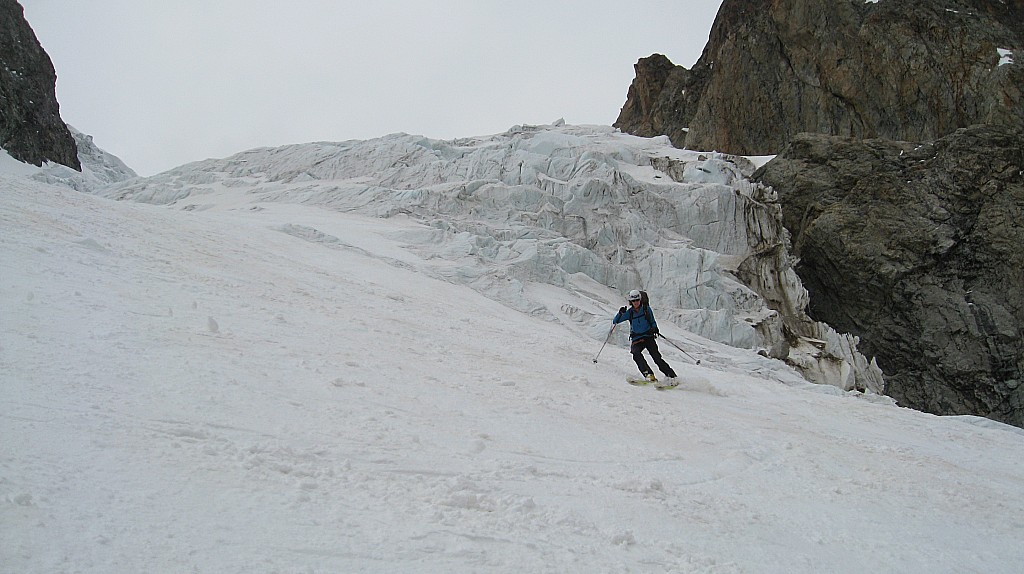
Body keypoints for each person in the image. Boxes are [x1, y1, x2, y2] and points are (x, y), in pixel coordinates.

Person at [613, 289, 677, 384]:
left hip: (648, 337)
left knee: (656, 358)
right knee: (636, 354)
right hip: (637, 338)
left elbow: (652, 321)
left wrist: (654, 328)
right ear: (631, 302)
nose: (636, 302)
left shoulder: (646, 309)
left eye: (637, 300)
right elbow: (616, 321)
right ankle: (648, 374)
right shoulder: (630, 312)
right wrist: (620, 313)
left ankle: (671, 376)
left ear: (640, 300)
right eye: (633, 301)